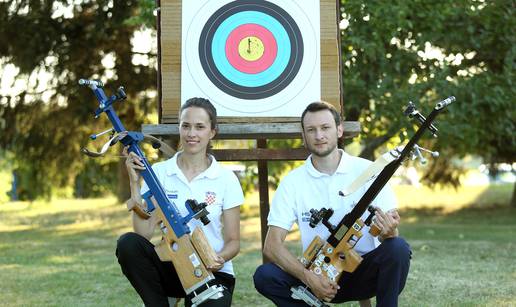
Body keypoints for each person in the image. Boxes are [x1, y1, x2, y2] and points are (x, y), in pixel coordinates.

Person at [253, 101, 411, 307]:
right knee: (265, 275)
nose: (319, 136)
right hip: (318, 276)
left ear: (339, 130)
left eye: (325, 127)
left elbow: (390, 238)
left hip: (363, 274)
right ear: (303, 136)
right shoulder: (292, 182)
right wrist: (308, 278)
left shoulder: (369, 170)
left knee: (398, 248)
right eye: (311, 130)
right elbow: (272, 246)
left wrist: (389, 232)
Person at [116, 97, 244, 307]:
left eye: (199, 127)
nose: (191, 133)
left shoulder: (226, 178)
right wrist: (134, 183)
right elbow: (143, 234)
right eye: (186, 126)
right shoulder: (159, 172)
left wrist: (218, 258)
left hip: (212, 273)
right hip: (172, 266)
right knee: (128, 244)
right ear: (179, 128)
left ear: (212, 132)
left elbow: (233, 241)